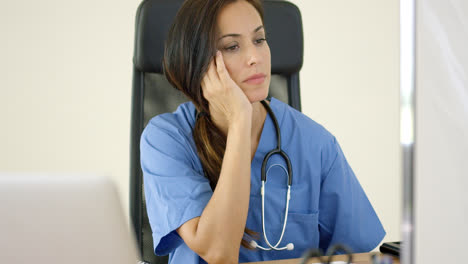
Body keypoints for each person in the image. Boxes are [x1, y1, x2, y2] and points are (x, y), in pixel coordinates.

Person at [140, 0, 386, 263]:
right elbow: (218, 253)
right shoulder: (166, 139)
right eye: (232, 46)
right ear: (197, 62)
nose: (255, 57)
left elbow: (361, 257)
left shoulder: (315, 143)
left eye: (259, 40)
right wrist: (240, 121)